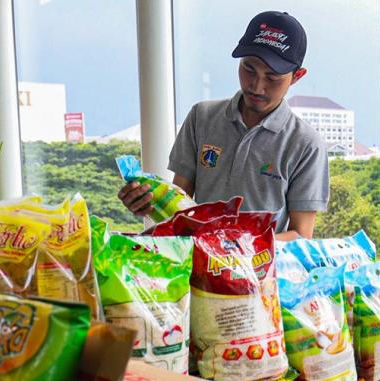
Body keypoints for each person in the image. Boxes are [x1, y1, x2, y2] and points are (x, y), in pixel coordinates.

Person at [119, 11, 329, 240]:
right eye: (249, 69)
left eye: (272, 78)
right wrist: (148, 204)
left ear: (297, 76)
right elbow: (179, 207)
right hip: (196, 265)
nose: (257, 86)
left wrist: (234, 245)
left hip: (259, 270)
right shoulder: (202, 117)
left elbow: (301, 233)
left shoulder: (305, 144)